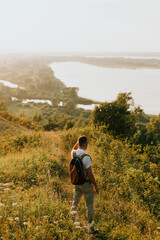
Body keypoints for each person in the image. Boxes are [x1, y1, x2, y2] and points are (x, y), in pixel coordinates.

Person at [70, 135, 99, 234]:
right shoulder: (86, 157)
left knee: (75, 202)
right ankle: (91, 228)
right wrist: (95, 185)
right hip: (86, 184)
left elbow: (73, 149)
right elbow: (90, 174)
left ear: (78, 143)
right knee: (89, 205)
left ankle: (72, 222)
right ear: (86, 144)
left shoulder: (74, 153)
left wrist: (77, 143)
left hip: (76, 182)